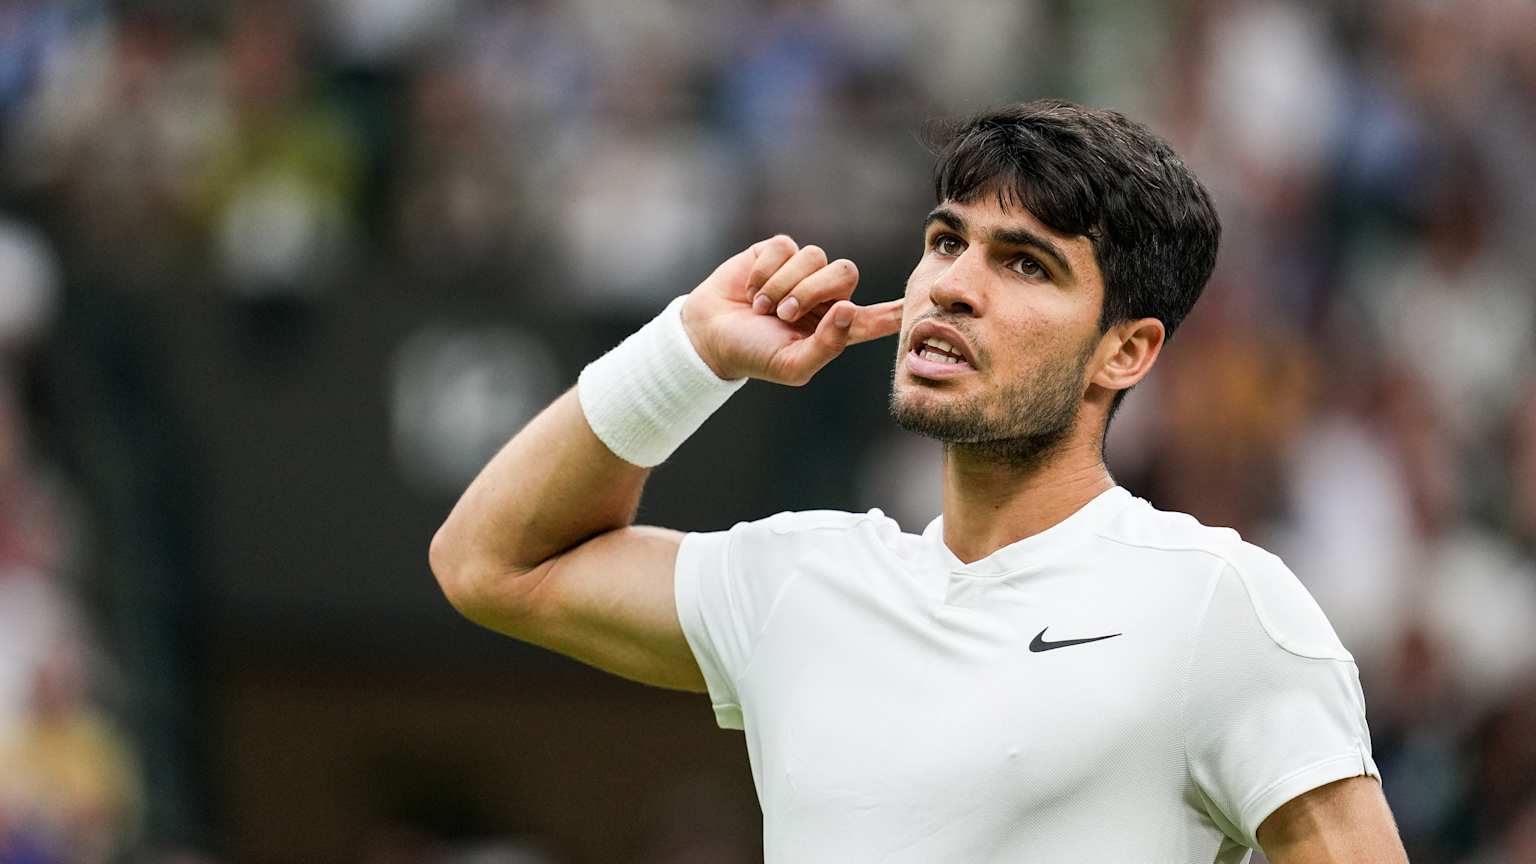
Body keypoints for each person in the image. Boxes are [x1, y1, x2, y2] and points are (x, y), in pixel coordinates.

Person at [429, 100, 1408, 863]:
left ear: (1126, 350)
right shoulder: (801, 581)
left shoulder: (1217, 604)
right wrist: (691, 350)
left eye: (1024, 263)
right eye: (947, 241)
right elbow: (490, 563)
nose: (952, 284)